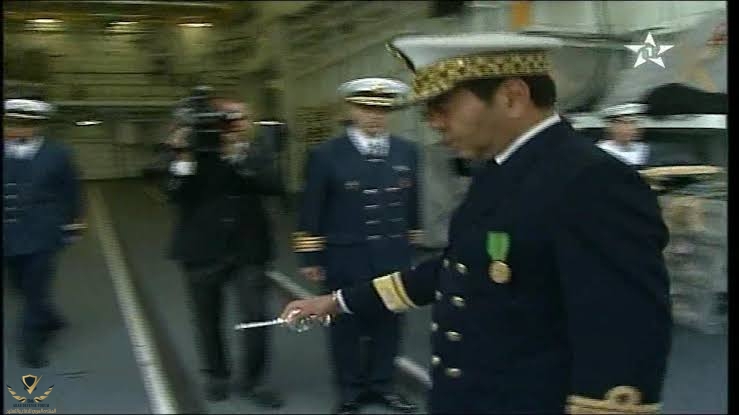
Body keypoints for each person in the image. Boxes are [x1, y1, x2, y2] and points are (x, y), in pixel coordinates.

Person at [282, 33, 673, 414]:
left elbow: (625, 336)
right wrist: (338, 301)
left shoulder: (593, 181)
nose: (433, 122)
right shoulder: (501, 169)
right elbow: (460, 268)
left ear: (512, 97)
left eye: (442, 106)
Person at [293, 77, 421, 414]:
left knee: (389, 323)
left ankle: (383, 385)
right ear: (351, 109)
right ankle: (349, 390)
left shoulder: (407, 151)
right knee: (345, 325)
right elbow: (311, 208)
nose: (375, 115)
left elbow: (412, 205)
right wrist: (310, 255)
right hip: (346, 254)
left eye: (382, 109)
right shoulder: (326, 155)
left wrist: (411, 249)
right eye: (366, 108)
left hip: (392, 253)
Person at [165, 96, 284, 407]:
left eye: (239, 118)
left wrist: (239, 156)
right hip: (201, 249)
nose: (233, 125)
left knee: (256, 317)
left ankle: (254, 381)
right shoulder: (193, 151)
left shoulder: (256, 151)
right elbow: (175, 194)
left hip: (249, 249)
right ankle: (217, 375)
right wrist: (182, 156)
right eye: (226, 119)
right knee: (207, 318)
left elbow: (275, 185)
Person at [3, 96, 84, 368]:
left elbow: (71, 190)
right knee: (19, 286)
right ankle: (49, 317)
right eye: (11, 122)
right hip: (7, 235)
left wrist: (74, 223)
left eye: (23, 123)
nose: (15, 128)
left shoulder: (57, 154)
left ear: (37, 125)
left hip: (42, 233)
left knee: (35, 288)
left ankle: (31, 343)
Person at [596, 103, 650, 167]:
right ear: (610, 126)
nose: (630, 128)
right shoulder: (600, 151)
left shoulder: (644, 149)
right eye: (624, 123)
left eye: (633, 122)